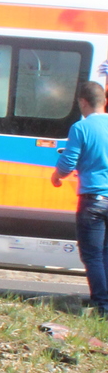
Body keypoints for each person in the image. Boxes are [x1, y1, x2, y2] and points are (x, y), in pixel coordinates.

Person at [53, 81, 108, 313]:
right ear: (104, 101)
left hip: (93, 199)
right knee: (106, 254)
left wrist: (57, 176)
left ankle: (103, 305)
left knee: (93, 255)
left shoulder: (81, 128)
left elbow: (68, 162)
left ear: (82, 102)